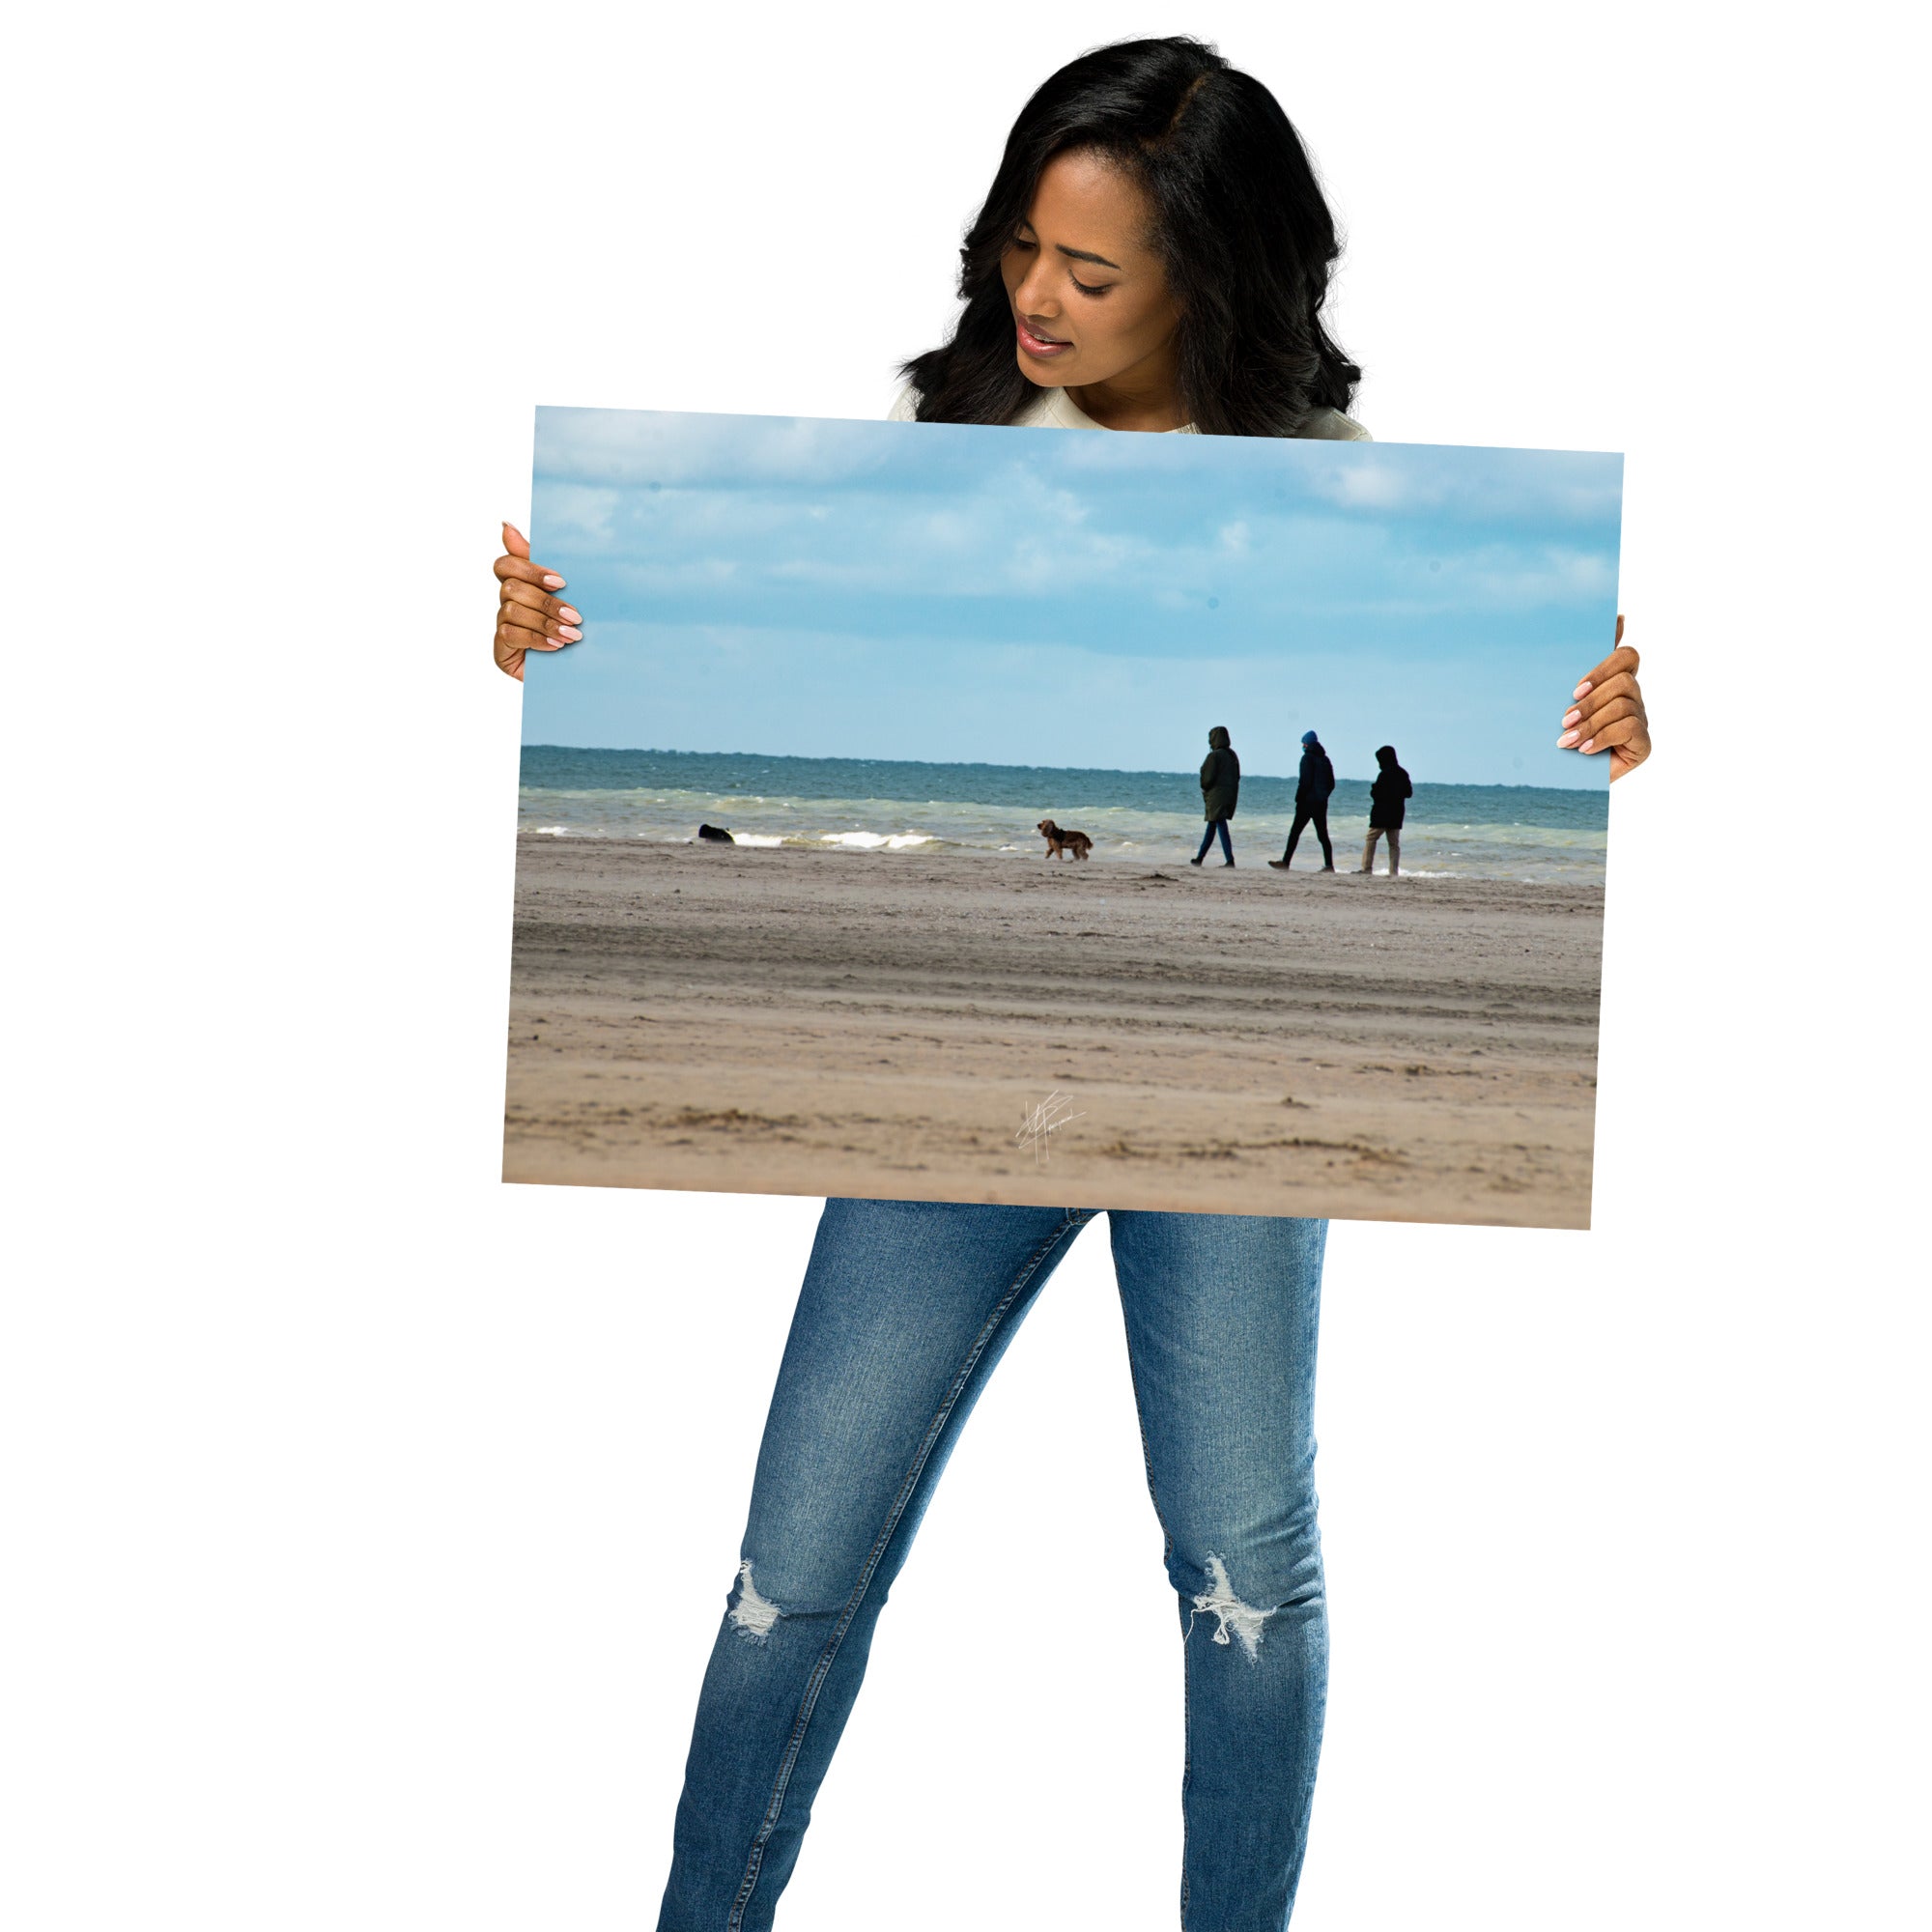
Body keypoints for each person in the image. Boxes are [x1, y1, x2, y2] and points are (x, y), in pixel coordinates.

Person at [490, 38, 1651, 1932]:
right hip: (958, 1070)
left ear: (1214, 273)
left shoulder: (1347, 497)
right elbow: (746, 676)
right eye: (1024, 246)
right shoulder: (933, 454)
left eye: (1090, 272)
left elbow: (1457, 727)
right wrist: (562, 638)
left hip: (1235, 1069)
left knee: (1240, 1562)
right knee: (792, 1557)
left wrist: (1599, 725)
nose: (1036, 296)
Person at [1268, 729, 1337, 872]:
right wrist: (1323, 796)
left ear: (1306, 744)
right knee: (1323, 835)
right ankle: (1329, 865)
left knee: (1295, 832)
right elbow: (1331, 783)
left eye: (1303, 743)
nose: (1303, 746)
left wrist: (1298, 798)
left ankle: (1285, 862)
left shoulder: (1307, 758)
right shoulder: (1325, 759)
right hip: (1321, 803)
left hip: (1306, 803)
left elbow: (1304, 782)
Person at [1358, 743, 1412, 876]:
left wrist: (1374, 788)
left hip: (1382, 814)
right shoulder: (1403, 773)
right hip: (1396, 814)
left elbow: (1376, 794)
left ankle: (1366, 868)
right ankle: (1393, 872)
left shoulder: (1384, 774)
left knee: (1371, 839)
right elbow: (1409, 793)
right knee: (1394, 844)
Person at [1192, 724, 1240, 867]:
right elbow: (1237, 776)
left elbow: (1207, 778)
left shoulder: (1214, 756)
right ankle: (1199, 858)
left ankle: (1229, 860)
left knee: (1220, 825)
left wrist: (1204, 788)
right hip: (1230, 794)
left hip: (1216, 796)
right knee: (1212, 826)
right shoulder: (1232, 755)